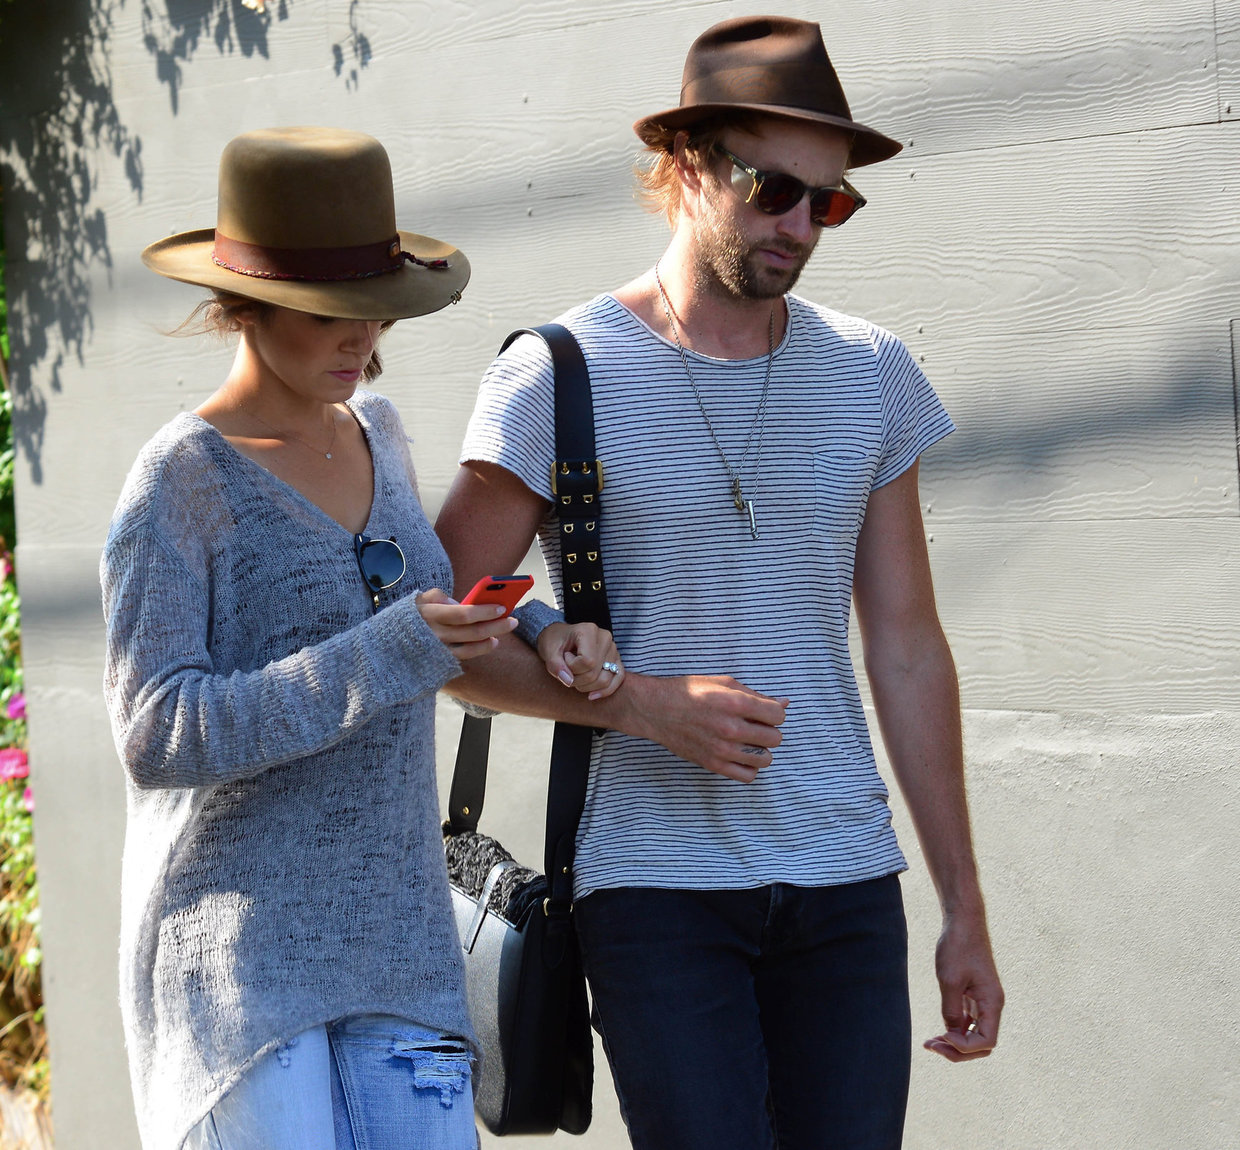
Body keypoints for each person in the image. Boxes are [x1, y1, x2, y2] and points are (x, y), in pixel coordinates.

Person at [434, 16, 1004, 1150]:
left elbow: (905, 646)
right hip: (652, 890)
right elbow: (438, 628)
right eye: (772, 188)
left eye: (828, 202)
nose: (800, 224)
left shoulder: (871, 373)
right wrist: (634, 698)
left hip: (845, 879)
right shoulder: (559, 373)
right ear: (688, 164)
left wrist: (962, 907)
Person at [101, 126, 617, 1150]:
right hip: (239, 977)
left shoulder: (377, 428)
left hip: (400, 945)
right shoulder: (181, 481)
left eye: (376, 303)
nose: (363, 333)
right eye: (330, 310)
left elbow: (429, 595)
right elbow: (157, 730)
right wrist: (382, 656)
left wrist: (540, 623)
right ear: (242, 304)